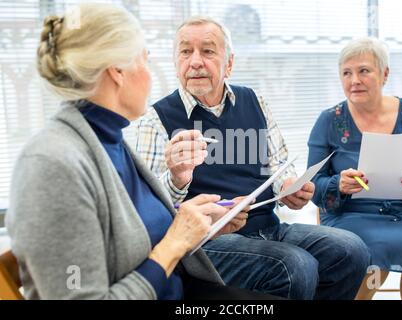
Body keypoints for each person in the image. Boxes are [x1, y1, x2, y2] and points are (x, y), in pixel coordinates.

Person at [5, 3, 275, 300]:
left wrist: (196, 223)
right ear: (118, 71)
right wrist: (175, 242)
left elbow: (135, 232)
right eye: (145, 61)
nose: (151, 76)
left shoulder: (109, 141)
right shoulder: (51, 164)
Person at [136, 16, 370, 300]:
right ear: (175, 62)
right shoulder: (155, 119)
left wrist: (288, 188)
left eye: (208, 51)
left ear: (229, 64)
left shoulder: (254, 101)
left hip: (266, 227)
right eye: (186, 51)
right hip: (206, 243)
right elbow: (145, 209)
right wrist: (175, 177)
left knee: (351, 250)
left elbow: (279, 167)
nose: (195, 61)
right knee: (295, 266)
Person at [307, 37, 402, 300]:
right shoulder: (328, 120)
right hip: (347, 214)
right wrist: (338, 184)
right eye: (346, 73)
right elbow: (313, 186)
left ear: (384, 74)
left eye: (363, 71)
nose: (354, 80)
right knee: (366, 250)